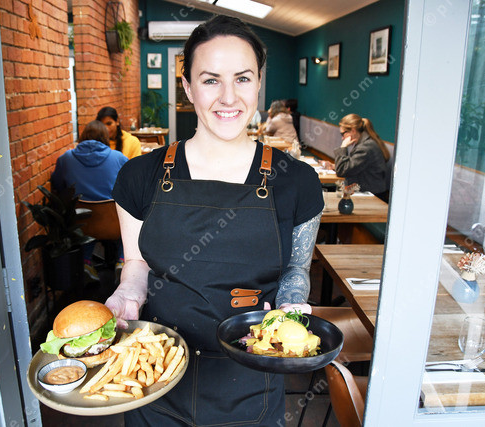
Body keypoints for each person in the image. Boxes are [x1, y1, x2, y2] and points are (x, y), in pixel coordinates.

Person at [106, 15, 324, 425]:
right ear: (188, 87)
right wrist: (127, 294)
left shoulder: (297, 182)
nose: (228, 97)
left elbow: (297, 268)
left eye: (242, 79)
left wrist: (291, 305)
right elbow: (136, 262)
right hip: (155, 381)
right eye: (210, 80)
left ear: (258, 84)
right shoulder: (139, 176)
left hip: (253, 385)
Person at [51, 120, 128, 201]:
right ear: (106, 137)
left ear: (83, 136)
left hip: (76, 208)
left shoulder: (65, 159)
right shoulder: (119, 158)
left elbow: (58, 186)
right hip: (112, 208)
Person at [334, 113, 391, 201]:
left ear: (353, 131)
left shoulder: (365, 147)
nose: (342, 138)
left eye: (343, 134)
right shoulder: (366, 143)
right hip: (369, 193)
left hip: (373, 197)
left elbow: (342, 171)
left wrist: (343, 147)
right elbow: (352, 167)